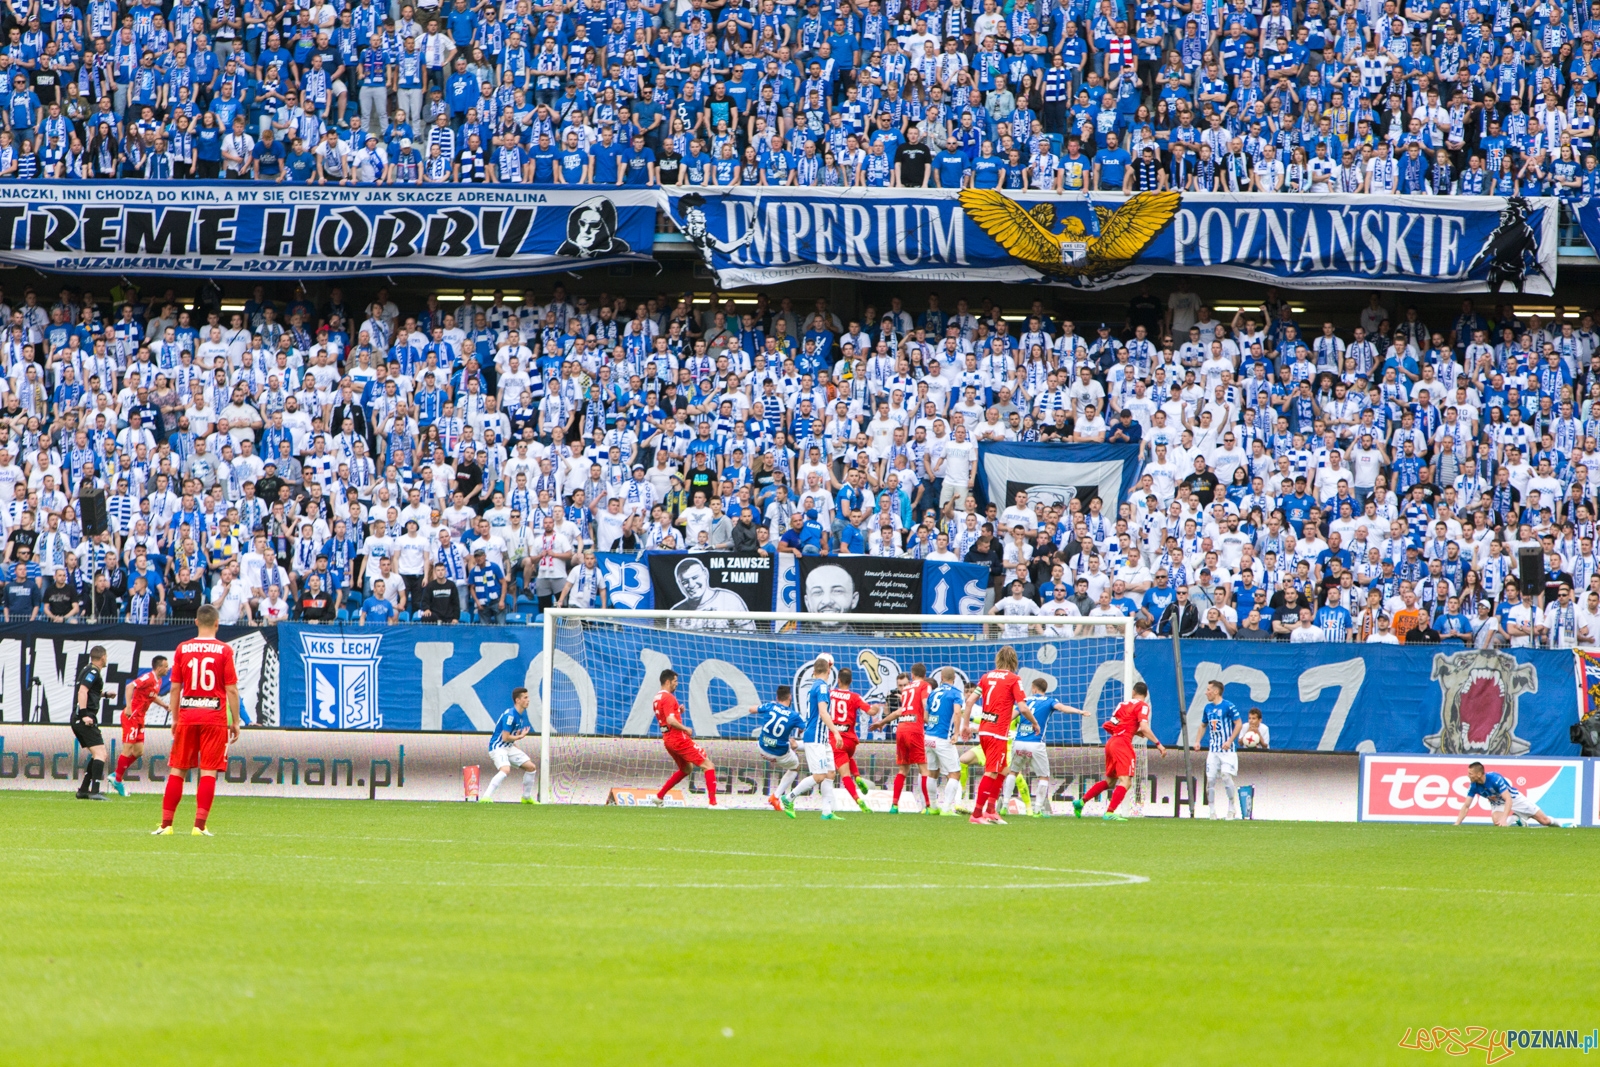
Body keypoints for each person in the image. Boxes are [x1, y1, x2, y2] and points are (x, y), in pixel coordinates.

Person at [155, 604, 240, 836]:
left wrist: (174, 717)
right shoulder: (224, 651)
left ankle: (166, 825)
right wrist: (236, 721)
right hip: (214, 717)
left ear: (195, 622)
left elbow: (174, 688)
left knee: (178, 770)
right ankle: (198, 827)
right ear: (217, 623)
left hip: (188, 715)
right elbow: (231, 690)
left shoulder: (183, 648)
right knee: (209, 771)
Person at [1074, 680, 1164, 820]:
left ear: (1133, 692)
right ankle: (1110, 812)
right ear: (1145, 695)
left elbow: (1111, 723)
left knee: (1110, 782)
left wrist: (1129, 729)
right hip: (1122, 744)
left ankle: (1081, 802)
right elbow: (1144, 727)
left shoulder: (1122, 704)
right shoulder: (1143, 706)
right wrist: (1158, 744)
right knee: (1126, 782)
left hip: (1112, 743)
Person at [971, 645, 1037, 824]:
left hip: (984, 730)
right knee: (992, 771)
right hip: (997, 733)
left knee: (1003, 770)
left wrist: (963, 726)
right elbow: (1022, 707)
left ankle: (991, 810)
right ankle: (977, 814)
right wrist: (1034, 722)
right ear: (1014, 661)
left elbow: (970, 700)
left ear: (998, 659)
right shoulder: (1014, 679)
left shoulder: (986, 677)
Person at [785, 654, 847, 820]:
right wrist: (835, 731)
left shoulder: (815, 686)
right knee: (819, 776)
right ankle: (789, 798)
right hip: (816, 737)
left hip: (821, 737)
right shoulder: (821, 687)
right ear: (829, 670)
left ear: (814, 671)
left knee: (830, 773)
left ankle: (826, 811)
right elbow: (822, 711)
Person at [1008, 677, 1081, 817]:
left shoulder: (1025, 700)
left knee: (1013, 773)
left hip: (1018, 742)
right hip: (1035, 742)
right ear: (1044, 689)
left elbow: (1010, 717)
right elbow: (1063, 708)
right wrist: (1079, 712)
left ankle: (1004, 806)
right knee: (1044, 777)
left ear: (1034, 688)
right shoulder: (1050, 701)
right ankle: (1037, 810)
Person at [651, 668, 718, 808]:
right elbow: (670, 720)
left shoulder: (657, 698)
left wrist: (677, 711)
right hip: (678, 739)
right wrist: (685, 728)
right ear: (668, 681)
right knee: (708, 765)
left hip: (668, 740)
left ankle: (659, 797)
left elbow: (665, 718)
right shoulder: (669, 697)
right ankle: (713, 804)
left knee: (687, 768)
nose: (677, 684)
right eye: (675, 681)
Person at [871, 665, 932, 814]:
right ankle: (929, 807)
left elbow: (900, 711)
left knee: (903, 769)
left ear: (912, 675)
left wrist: (882, 722)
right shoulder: (925, 685)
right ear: (924, 675)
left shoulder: (907, 689)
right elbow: (925, 703)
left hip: (901, 728)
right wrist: (927, 717)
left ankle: (894, 806)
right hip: (914, 729)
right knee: (924, 769)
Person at [112, 655, 169, 796]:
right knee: (128, 748)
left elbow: (151, 695)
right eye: (166, 666)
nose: (168, 669)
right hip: (131, 716)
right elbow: (130, 686)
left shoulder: (158, 681)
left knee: (138, 751)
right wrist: (129, 707)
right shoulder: (148, 677)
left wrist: (164, 705)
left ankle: (116, 774)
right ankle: (117, 780)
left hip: (140, 718)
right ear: (159, 667)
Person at [1453, 761, 1564, 827]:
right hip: (1498, 803)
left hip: (1514, 799)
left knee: (1544, 821)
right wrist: (1457, 823)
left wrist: (1504, 819)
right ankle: (1517, 819)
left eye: (1470, 773)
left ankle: (1561, 824)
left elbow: (1508, 799)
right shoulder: (1474, 785)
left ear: (1478, 774)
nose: (1468, 775)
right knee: (1498, 822)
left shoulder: (1495, 779)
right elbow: (1466, 805)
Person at [1192, 679, 1243, 819]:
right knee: (1210, 779)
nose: (1206, 692)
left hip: (1228, 750)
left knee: (1226, 776)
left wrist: (1229, 740)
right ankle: (1212, 811)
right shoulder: (1208, 708)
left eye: (1208, 690)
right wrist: (1197, 741)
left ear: (1216, 691)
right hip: (1213, 751)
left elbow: (1238, 724)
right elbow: (1203, 725)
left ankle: (1232, 808)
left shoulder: (1228, 706)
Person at [749, 685, 803, 816]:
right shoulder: (794, 715)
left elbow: (751, 709)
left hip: (762, 748)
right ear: (790, 697)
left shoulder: (770, 706)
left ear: (776, 698)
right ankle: (776, 796)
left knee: (790, 743)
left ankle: (791, 744)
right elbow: (803, 729)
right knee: (795, 766)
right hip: (779, 753)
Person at [826, 667, 874, 812]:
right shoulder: (855, 697)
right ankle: (858, 777)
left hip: (836, 739)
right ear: (851, 681)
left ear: (838, 680)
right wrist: (876, 709)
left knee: (844, 775)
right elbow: (870, 710)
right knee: (848, 758)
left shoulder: (830, 694)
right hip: (851, 740)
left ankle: (858, 800)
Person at [480, 687, 539, 804]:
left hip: (508, 747)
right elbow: (505, 737)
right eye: (525, 698)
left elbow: (509, 737)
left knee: (531, 768)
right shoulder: (510, 716)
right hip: (498, 747)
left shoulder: (519, 716)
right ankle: (486, 797)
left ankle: (526, 798)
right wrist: (520, 736)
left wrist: (516, 743)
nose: (528, 700)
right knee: (505, 769)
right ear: (518, 700)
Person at [924, 667, 967, 815]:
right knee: (955, 774)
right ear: (954, 678)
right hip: (942, 737)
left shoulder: (933, 693)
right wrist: (956, 733)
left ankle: (933, 807)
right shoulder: (956, 693)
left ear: (941, 678)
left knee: (932, 772)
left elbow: (925, 715)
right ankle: (947, 808)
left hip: (928, 736)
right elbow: (957, 712)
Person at [72, 645, 111, 801]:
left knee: (97, 754)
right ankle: (94, 791)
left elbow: (91, 691)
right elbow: (82, 691)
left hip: (81, 718)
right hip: (84, 718)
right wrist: (84, 715)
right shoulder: (93, 672)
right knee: (101, 754)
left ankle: (83, 790)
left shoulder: (88, 669)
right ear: (102, 657)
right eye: (106, 656)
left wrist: (105, 694)